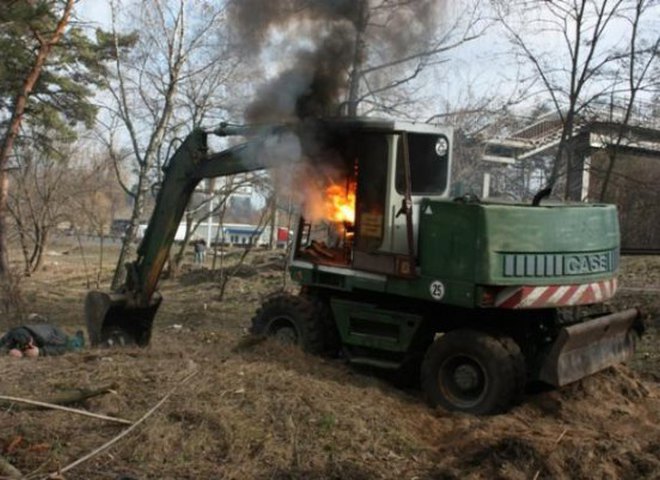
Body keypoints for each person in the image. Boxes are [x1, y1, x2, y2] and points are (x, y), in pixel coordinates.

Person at [0, 323, 84, 358]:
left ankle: (79, 336)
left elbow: (62, 348)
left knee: (75, 345)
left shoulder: (46, 336)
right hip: (33, 330)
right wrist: (9, 351)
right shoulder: (12, 334)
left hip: (55, 336)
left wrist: (40, 352)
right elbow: (2, 345)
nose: (26, 349)